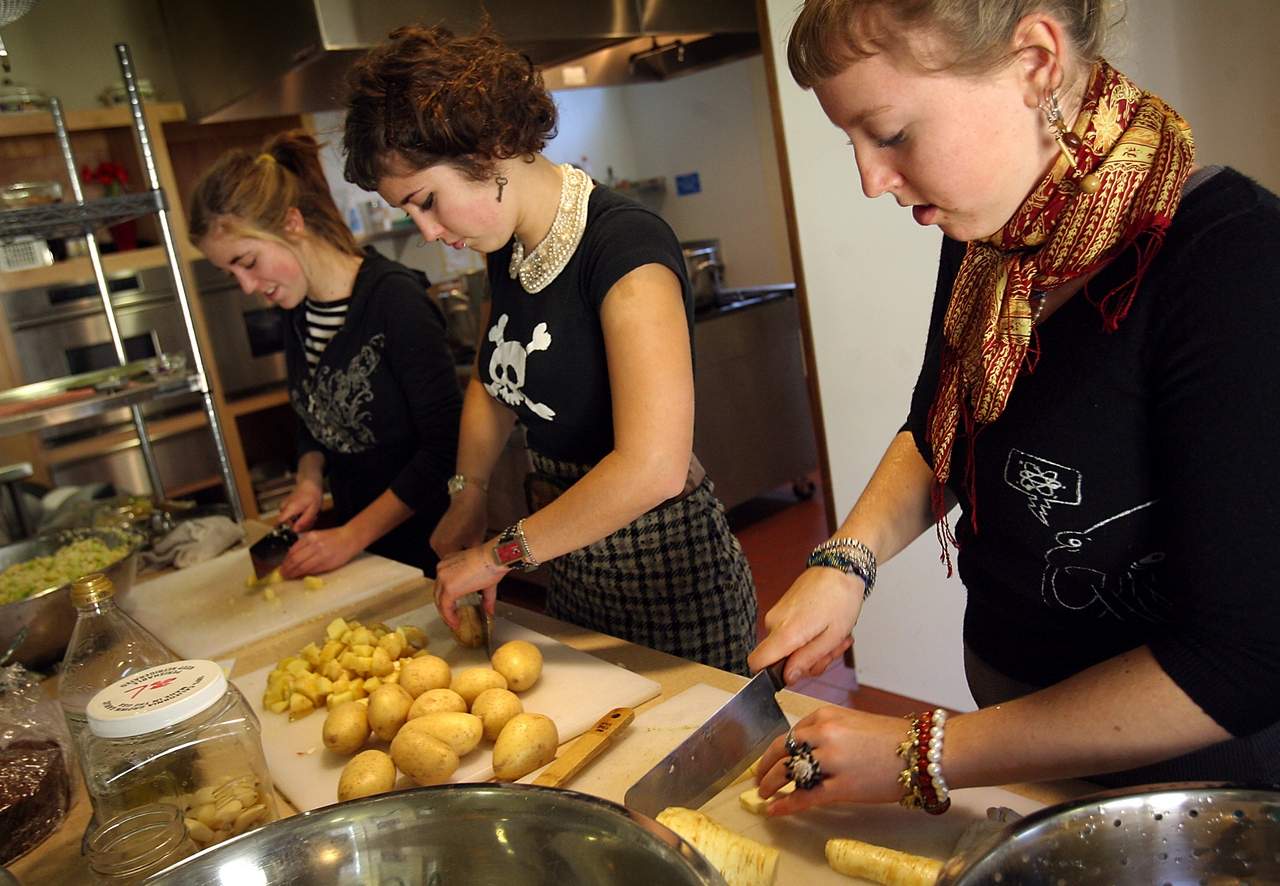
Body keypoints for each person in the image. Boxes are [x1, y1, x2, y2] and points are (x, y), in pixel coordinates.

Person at [748, 0, 1280, 816]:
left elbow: (1241, 660)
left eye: (888, 134)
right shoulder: (992, 234)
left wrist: (921, 751)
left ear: (1035, 62)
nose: (869, 181)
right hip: (1024, 748)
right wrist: (847, 559)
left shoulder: (1231, 262)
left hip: (1196, 792)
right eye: (850, 141)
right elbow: (942, 420)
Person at [341, 25, 758, 673]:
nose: (427, 231)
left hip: (666, 572)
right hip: (569, 555)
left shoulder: (623, 248)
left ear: (492, 146)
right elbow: (490, 381)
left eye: (427, 202)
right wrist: (469, 491)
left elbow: (653, 468)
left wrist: (492, 556)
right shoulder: (506, 250)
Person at [189, 131, 462, 578]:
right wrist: (309, 481)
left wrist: (351, 535)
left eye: (248, 261)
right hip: (362, 555)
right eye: (230, 272)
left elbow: (446, 447)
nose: (246, 287)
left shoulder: (393, 300)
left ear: (292, 224)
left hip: (427, 554)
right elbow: (311, 415)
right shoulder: (296, 310)